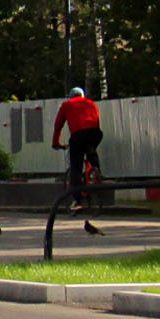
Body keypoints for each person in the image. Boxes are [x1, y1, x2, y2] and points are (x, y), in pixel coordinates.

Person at [51, 86, 104, 224]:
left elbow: (58, 125)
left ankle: (77, 200)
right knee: (91, 150)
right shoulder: (90, 103)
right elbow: (96, 120)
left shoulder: (67, 104)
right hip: (95, 133)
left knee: (76, 166)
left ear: (71, 96)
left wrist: (56, 142)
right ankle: (96, 169)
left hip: (78, 136)